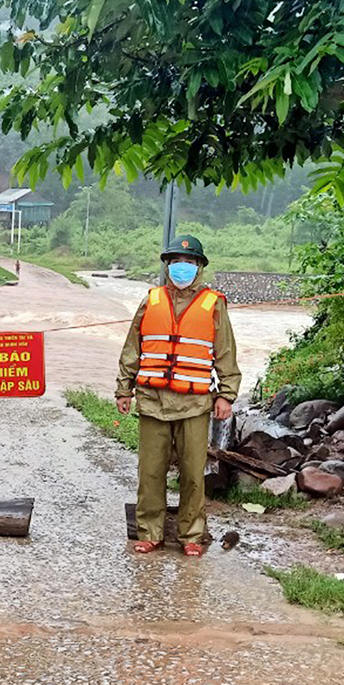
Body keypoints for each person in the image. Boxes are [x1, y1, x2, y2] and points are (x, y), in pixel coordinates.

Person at [115, 234, 241, 557]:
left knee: (192, 474)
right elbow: (133, 348)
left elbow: (225, 352)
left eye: (188, 262)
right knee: (151, 473)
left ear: (199, 267)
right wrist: (124, 388)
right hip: (153, 401)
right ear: (167, 265)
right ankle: (150, 532)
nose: (181, 268)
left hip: (195, 405)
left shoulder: (214, 304)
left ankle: (191, 535)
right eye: (175, 262)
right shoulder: (151, 300)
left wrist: (226, 395)